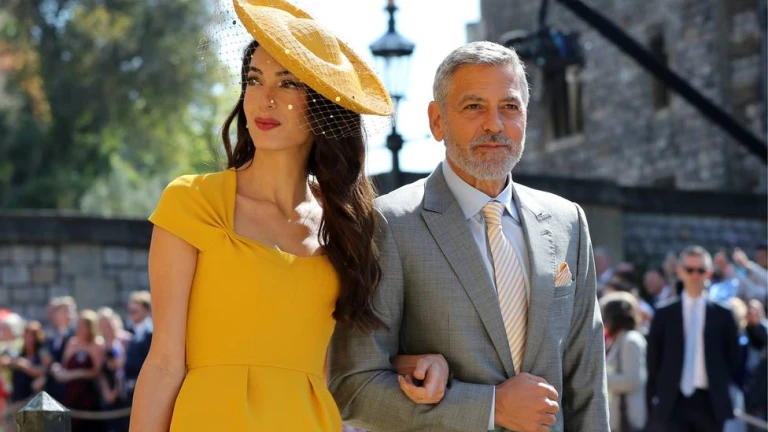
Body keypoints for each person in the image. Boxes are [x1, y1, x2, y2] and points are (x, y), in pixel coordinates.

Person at [129, 1, 444, 430]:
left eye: (288, 83)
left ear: (323, 104)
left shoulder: (345, 226)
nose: (266, 98)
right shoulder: (193, 202)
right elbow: (164, 362)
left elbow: (339, 361)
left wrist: (419, 363)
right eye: (254, 79)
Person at [329, 41, 609, 432]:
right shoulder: (388, 224)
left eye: (509, 107)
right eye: (474, 106)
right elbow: (353, 389)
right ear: (437, 120)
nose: (494, 124)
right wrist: (491, 408)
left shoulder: (568, 222)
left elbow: (587, 383)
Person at [646, 246, 740, 432]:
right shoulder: (664, 313)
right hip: (673, 401)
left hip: (711, 402)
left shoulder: (723, 314)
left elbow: (733, 358)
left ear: (709, 273)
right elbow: (654, 359)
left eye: (701, 270)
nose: (695, 275)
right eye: (690, 270)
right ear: (680, 271)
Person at [600, 292, 647, 432]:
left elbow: (632, 380)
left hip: (628, 420)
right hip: (616, 419)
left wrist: (599, 379)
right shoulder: (615, 340)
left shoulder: (630, 340)